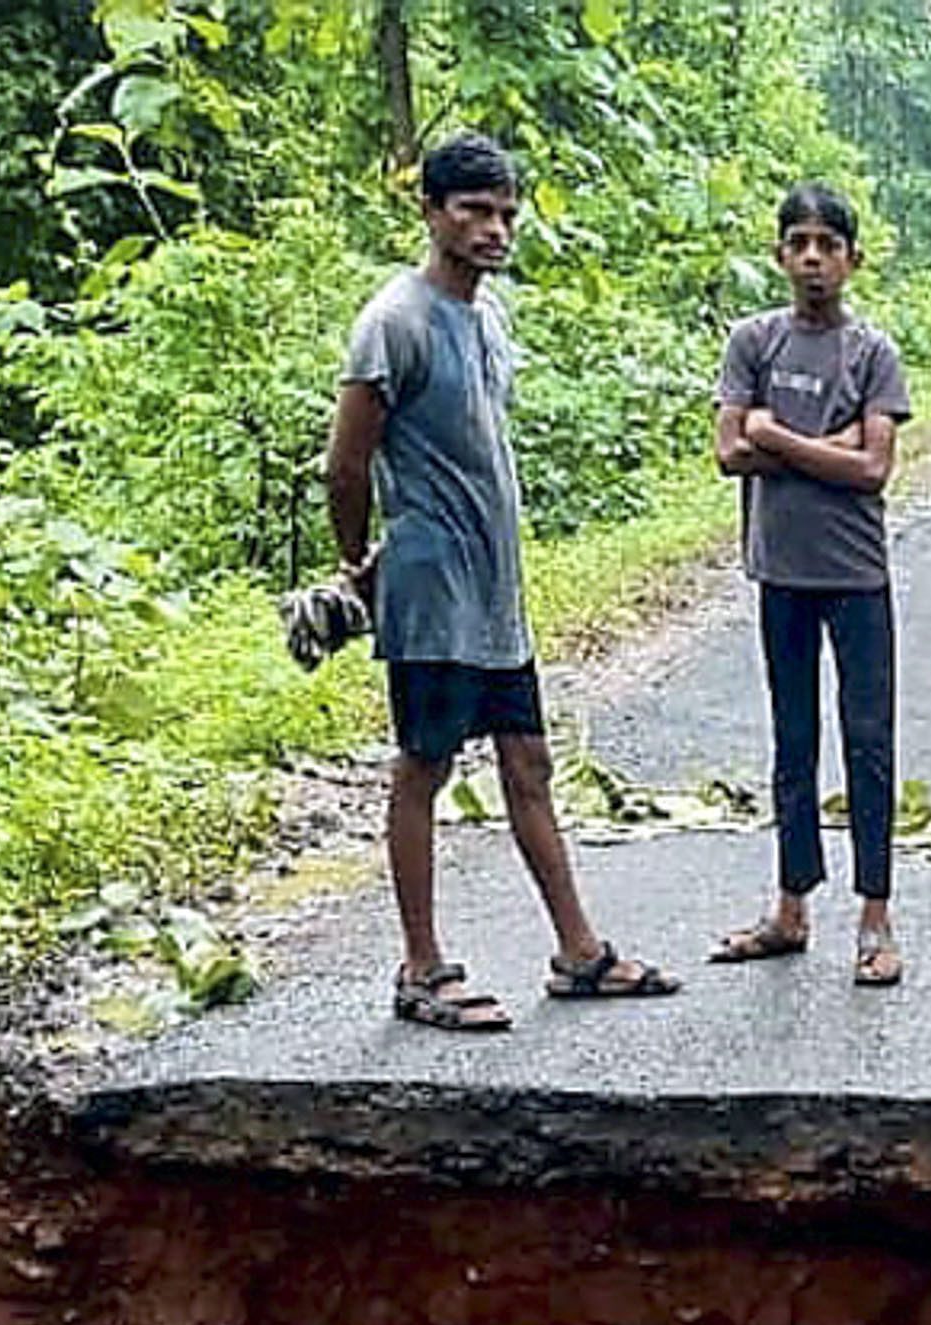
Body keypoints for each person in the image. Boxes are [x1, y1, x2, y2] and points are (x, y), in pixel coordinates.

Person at [325, 129, 672, 1029]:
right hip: (432, 585)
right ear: (431, 211)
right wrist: (355, 564)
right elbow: (346, 464)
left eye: (505, 213)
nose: (493, 229)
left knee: (528, 761)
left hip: (495, 591)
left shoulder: (490, 317)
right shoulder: (393, 321)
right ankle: (420, 967)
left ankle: (579, 952)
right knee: (425, 765)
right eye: (474, 210)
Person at [709, 182, 914, 989]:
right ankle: (791, 908)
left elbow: (873, 467)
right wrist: (815, 445)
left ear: (853, 259)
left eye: (829, 245)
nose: (813, 259)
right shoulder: (753, 342)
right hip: (780, 572)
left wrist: (774, 433)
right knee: (792, 742)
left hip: (857, 575)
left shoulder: (872, 352)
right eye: (799, 243)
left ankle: (875, 915)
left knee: (870, 741)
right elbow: (729, 451)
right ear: (780, 255)